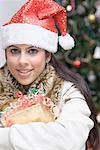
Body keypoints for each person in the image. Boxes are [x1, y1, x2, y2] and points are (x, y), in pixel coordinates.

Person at [0, 0, 99, 150]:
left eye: (32, 51)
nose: (22, 61)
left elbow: (67, 140)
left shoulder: (67, 91)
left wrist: (6, 137)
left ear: (47, 56)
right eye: (14, 51)